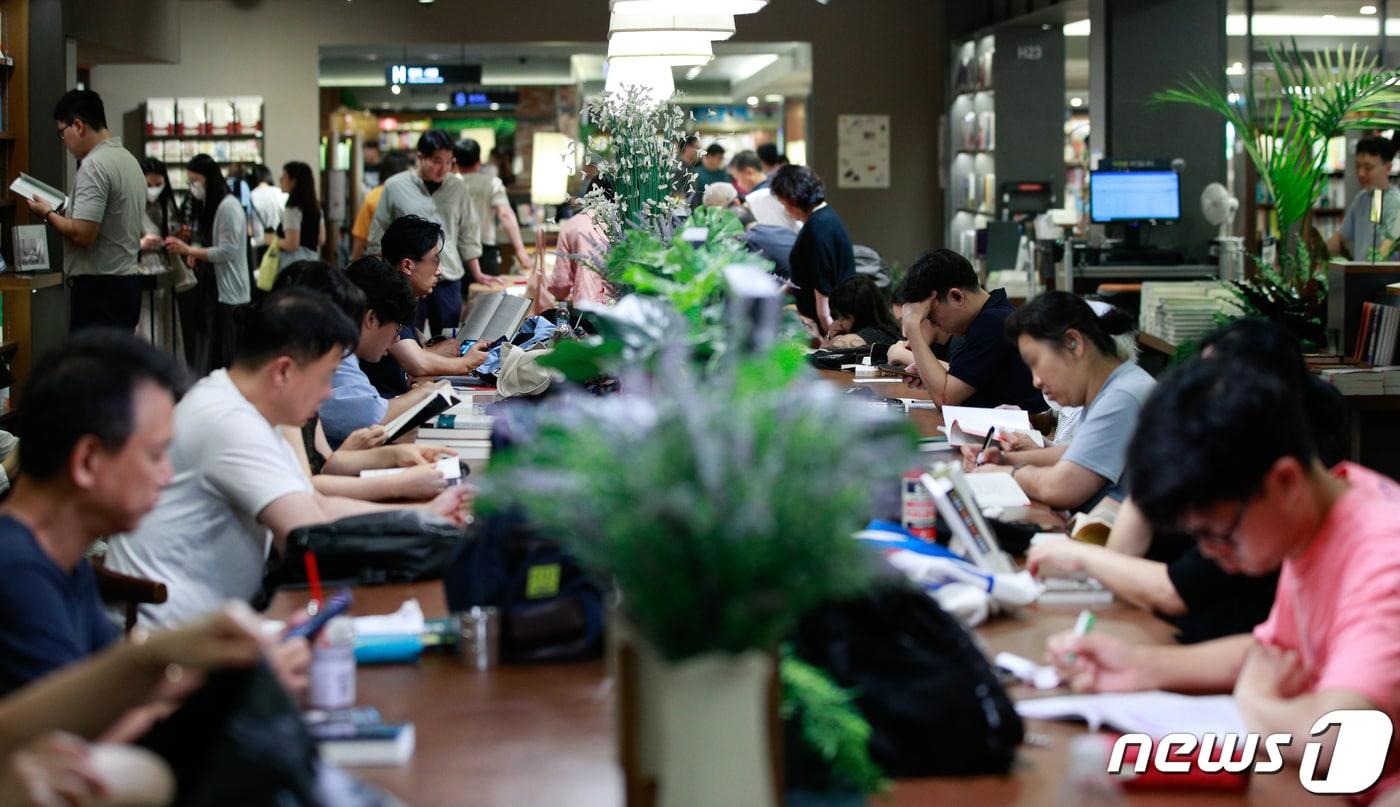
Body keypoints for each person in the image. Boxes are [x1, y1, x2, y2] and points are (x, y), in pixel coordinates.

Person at [1047, 360, 1400, 803]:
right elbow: (1276, 652)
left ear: (1285, 481)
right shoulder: (1319, 514)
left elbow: (1342, 737)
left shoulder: (1382, 557)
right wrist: (1137, 667)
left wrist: (1256, 702)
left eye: (1218, 533)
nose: (1209, 552)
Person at [104, 289, 469, 628]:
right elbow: (307, 528)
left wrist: (425, 515)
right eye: (325, 377)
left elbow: (313, 503)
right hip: (173, 636)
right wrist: (421, 521)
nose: (327, 394)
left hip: (220, 618)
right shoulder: (227, 420)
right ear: (282, 371)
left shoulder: (245, 407)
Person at [0, 330, 309, 699]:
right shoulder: (17, 574)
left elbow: (115, 695)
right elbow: (83, 736)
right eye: (155, 454)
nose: (166, 475)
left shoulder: (62, 560)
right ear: (87, 460)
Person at [1028, 318, 1344, 645]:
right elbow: (1267, 654)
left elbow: (1176, 591)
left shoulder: (1258, 489)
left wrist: (1083, 558)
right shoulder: (1223, 461)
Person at [970, 291, 1153, 511]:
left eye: (1035, 362)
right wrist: (1006, 460)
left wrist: (1006, 474)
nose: (1036, 381)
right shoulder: (1111, 388)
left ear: (1073, 343)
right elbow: (1078, 453)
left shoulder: (1123, 396)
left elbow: (1062, 488)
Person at [27, 90, 147, 333]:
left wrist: (48, 214)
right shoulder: (127, 159)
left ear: (78, 125)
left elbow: (83, 234)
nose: (64, 142)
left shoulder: (94, 166)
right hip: (126, 284)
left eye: (62, 133)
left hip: (99, 292)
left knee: (92, 369)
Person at [369, 130, 501, 338]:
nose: (444, 168)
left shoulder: (457, 186)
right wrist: (383, 277)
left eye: (449, 162)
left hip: (447, 275)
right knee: (405, 337)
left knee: (448, 337)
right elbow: (379, 231)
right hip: (407, 279)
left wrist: (477, 273)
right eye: (437, 161)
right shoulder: (395, 186)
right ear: (420, 157)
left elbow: (469, 230)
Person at [894, 248, 1046, 412]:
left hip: (1017, 432)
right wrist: (931, 373)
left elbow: (945, 399)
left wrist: (912, 327)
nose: (934, 324)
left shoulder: (993, 322)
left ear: (956, 297)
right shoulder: (995, 313)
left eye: (930, 315)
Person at [360, 215, 494, 397]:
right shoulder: (387, 300)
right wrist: (467, 363)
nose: (440, 271)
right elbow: (417, 363)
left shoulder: (398, 298)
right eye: (435, 261)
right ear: (407, 265)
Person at [319, 256, 444, 449]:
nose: (396, 339)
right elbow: (368, 415)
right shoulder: (336, 351)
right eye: (397, 328)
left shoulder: (344, 348)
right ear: (371, 318)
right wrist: (424, 394)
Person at [164, 155, 250, 370]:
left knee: (224, 354)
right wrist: (197, 253)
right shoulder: (212, 206)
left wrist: (189, 250)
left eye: (195, 181)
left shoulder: (228, 207)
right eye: (189, 182)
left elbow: (227, 250)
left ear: (209, 179)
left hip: (228, 293)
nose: (193, 187)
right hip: (215, 290)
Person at [769, 165, 854, 336]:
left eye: (783, 202)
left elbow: (823, 295)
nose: (784, 209)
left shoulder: (817, 227)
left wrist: (828, 340)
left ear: (792, 198)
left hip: (824, 325)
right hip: (831, 317)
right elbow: (804, 274)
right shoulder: (826, 215)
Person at [453, 139, 531, 277]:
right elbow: (505, 214)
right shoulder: (491, 183)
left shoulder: (449, 184)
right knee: (489, 296)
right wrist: (520, 250)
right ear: (478, 160)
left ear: (455, 161)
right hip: (484, 251)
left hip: (454, 252)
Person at [136, 158, 186, 355]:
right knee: (146, 323)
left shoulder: (167, 206)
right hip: (140, 268)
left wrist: (176, 237)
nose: (154, 189)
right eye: (148, 185)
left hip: (164, 271)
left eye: (158, 185)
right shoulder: (132, 206)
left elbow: (174, 229)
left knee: (166, 322)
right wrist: (141, 244)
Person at [1326, 135, 1400, 261]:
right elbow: (1340, 238)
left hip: (1382, 278)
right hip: (1361, 277)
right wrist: (1314, 256)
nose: (1360, 173)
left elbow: (1385, 249)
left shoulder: (1394, 202)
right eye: (1357, 166)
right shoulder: (1364, 197)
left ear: (1388, 167)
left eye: (1368, 168)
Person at [548, 175, 614, 308]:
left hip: (586, 309)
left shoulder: (572, 225)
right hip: (624, 311)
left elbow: (560, 284)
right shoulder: (630, 223)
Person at [349, 151, 408, 261]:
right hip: (408, 262)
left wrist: (353, 260)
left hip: (380, 260)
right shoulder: (412, 196)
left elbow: (361, 236)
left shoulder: (373, 196)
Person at [826, 275, 902, 348]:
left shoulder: (874, 334)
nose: (839, 323)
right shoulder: (887, 329)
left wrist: (833, 338)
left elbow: (843, 344)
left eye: (844, 317)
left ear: (860, 314)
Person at [277, 161, 323, 268]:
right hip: (312, 262)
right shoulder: (316, 208)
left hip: (294, 266)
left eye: (284, 176)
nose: (280, 180)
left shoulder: (292, 210)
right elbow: (321, 239)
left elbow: (292, 244)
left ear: (294, 182)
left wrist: (273, 241)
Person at [248, 164, 284, 266]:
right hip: (278, 244)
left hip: (259, 245)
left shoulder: (251, 196)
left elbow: (249, 228)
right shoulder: (279, 193)